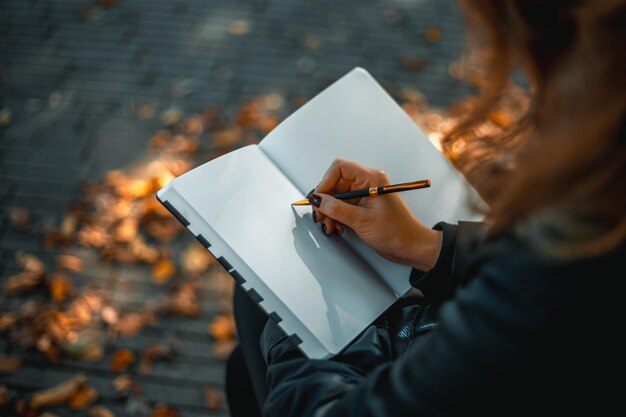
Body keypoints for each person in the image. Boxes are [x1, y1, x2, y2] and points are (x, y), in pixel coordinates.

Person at [225, 0, 626, 416]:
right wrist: (431, 247)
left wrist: (298, 315)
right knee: (244, 367)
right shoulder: (602, 191)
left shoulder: (564, 254)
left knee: (256, 318)